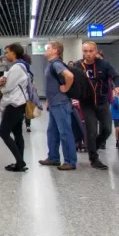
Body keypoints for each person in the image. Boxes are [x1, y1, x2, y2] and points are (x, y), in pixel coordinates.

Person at [79, 41, 119, 170]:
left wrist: (118, 86)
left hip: (102, 102)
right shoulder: (78, 65)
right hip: (86, 103)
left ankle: (92, 147)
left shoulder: (104, 65)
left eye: (91, 51)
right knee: (91, 131)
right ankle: (94, 158)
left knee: (107, 130)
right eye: (85, 51)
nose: (88, 54)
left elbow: (116, 76)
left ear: (96, 51)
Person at [37, 42, 78, 170]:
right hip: (54, 103)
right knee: (52, 132)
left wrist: (66, 87)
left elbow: (69, 76)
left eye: (48, 48)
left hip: (61, 103)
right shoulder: (51, 64)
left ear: (55, 51)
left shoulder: (56, 64)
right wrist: (49, 99)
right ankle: (53, 157)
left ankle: (70, 161)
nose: (46, 50)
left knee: (65, 132)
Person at [0, 44, 29, 172]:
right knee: (17, 134)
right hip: (19, 103)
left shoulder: (16, 68)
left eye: (7, 52)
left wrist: (0, 84)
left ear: (14, 53)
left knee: (3, 132)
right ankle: (19, 162)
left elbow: (6, 88)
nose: (5, 55)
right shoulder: (23, 66)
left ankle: (20, 161)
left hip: (13, 104)